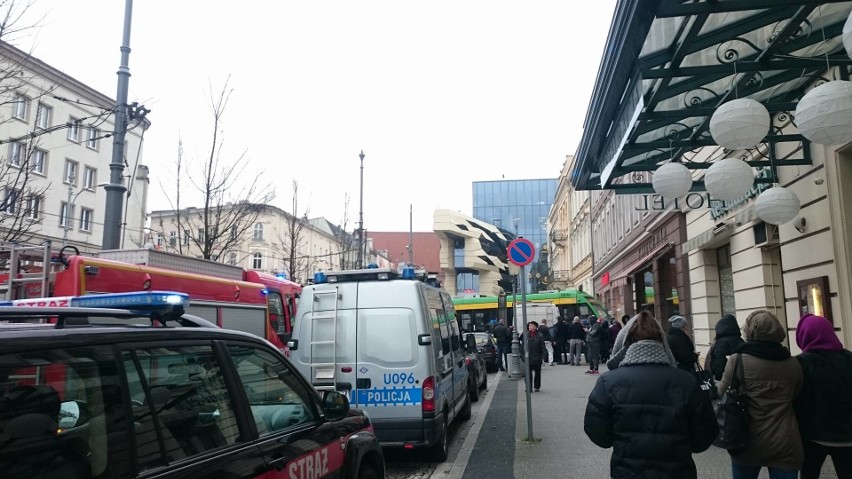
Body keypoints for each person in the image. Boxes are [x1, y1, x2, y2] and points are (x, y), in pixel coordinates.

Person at [584, 309, 718, 478]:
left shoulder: (608, 382)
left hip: (627, 472)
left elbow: (598, 435)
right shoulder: (686, 381)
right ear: (662, 342)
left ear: (624, 345)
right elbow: (704, 436)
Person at [717, 310, 803, 479]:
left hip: (746, 441)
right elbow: (797, 395)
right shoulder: (793, 363)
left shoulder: (737, 360)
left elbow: (721, 393)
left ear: (750, 331)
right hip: (785, 442)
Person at [794, 313, 852, 479]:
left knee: (809, 474)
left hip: (813, 435)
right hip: (847, 435)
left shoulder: (802, 362)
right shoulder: (849, 358)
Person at [708, 313, 744, 381]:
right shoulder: (740, 340)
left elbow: (719, 361)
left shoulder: (721, 342)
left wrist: (718, 377)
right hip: (740, 376)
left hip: (725, 377)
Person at [521, 321, 547, 392]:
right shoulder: (526, 335)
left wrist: (543, 357)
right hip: (528, 358)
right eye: (529, 325)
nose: (529, 327)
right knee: (528, 374)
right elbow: (522, 346)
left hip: (537, 357)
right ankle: (528, 387)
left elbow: (542, 347)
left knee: (537, 373)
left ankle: (536, 386)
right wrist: (522, 356)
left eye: (531, 325)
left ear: (535, 327)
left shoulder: (540, 335)